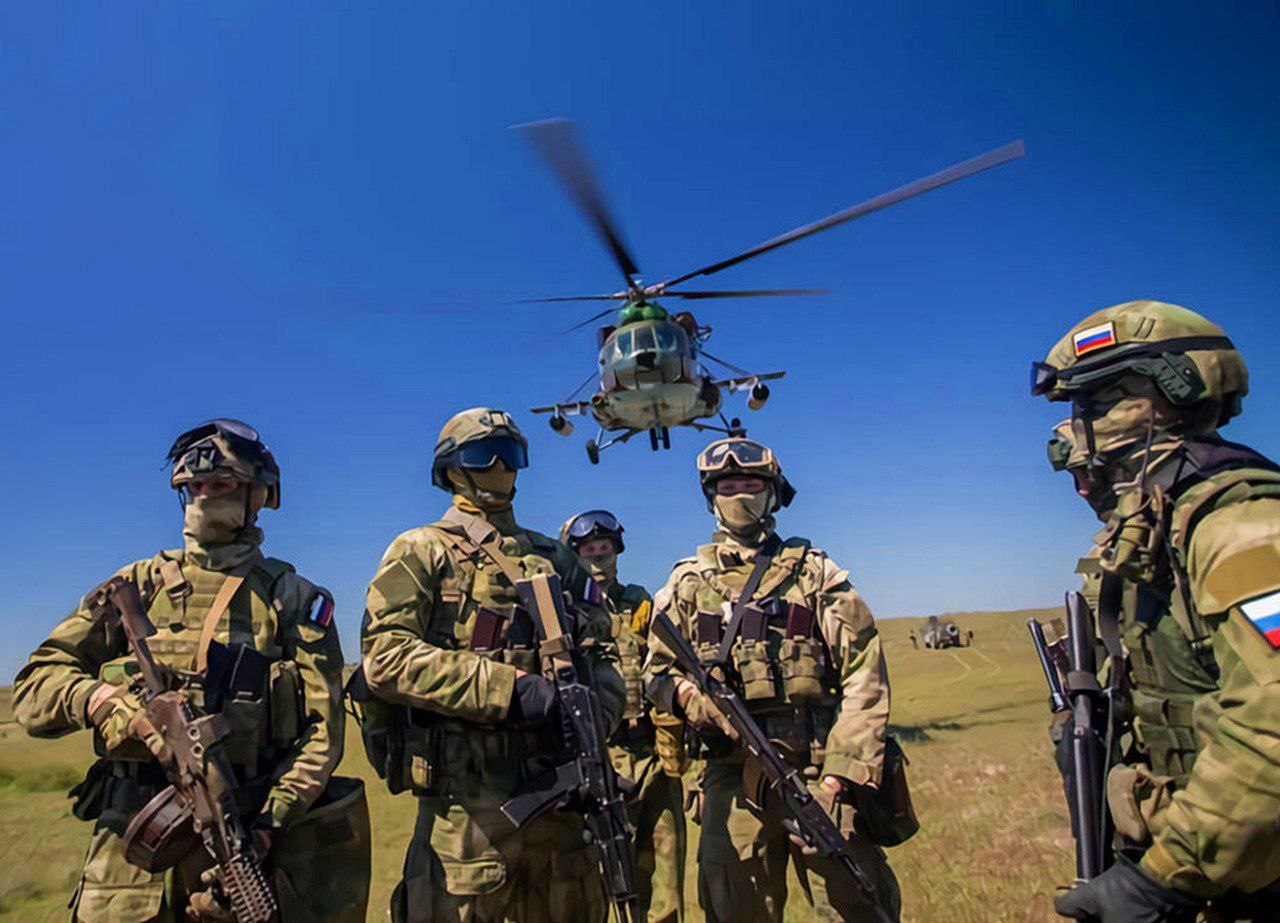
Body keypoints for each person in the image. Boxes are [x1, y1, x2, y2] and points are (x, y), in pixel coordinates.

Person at [13, 418, 369, 922]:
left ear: (258, 494)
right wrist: (108, 705)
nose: (203, 497)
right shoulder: (137, 585)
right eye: (191, 487)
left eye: (220, 485)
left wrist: (269, 825)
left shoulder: (294, 600)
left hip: (244, 841)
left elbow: (322, 737)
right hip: (131, 865)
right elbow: (35, 685)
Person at [1032, 301, 1280, 920]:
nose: (1071, 435)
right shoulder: (1151, 536)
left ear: (1171, 396)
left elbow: (1273, 718)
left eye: (1093, 406)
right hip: (1212, 873)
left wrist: (1164, 880)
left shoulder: (1240, 527)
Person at [359, 407, 627, 922]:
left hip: (562, 798)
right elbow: (385, 656)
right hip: (467, 811)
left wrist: (596, 715)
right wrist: (508, 689)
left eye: (513, 455)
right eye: (485, 455)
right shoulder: (421, 550)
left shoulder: (555, 557)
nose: (501, 466)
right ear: (452, 469)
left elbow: (606, 652)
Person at [644, 436, 904, 922]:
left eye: (749, 483)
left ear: (773, 492)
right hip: (731, 780)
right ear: (710, 497)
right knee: (735, 906)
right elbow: (656, 675)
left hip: (818, 773)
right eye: (726, 485)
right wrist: (696, 703)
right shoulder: (685, 584)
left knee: (855, 905)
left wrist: (837, 778)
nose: (738, 493)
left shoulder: (816, 575)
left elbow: (865, 675)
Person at [560, 509, 687, 922]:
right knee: (601, 884)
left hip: (653, 757)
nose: (597, 558)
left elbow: (669, 666)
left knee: (665, 886)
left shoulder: (641, 602)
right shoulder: (562, 612)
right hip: (598, 763)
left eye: (604, 549)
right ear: (572, 557)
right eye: (588, 551)